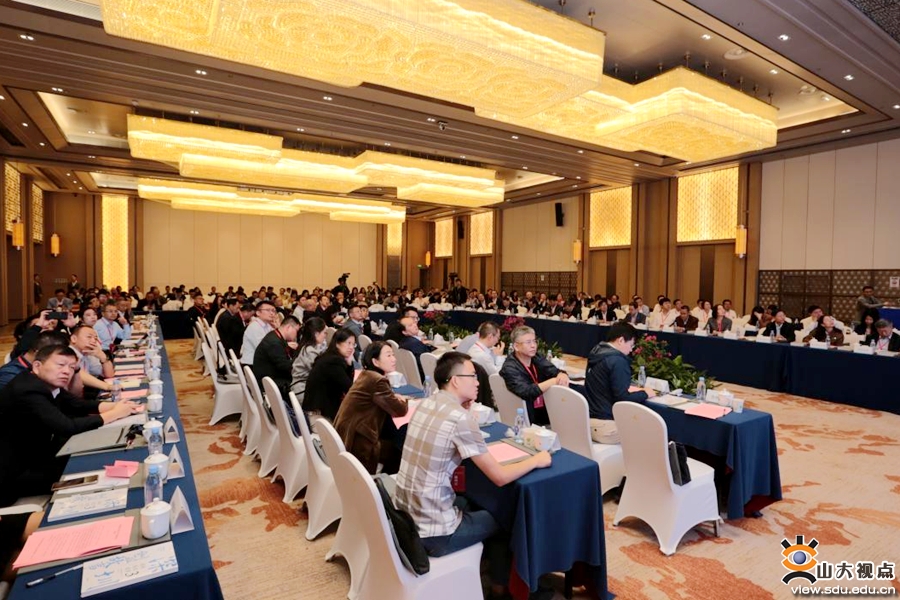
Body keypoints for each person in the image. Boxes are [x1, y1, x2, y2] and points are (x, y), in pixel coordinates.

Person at [394, 352, 551, 599]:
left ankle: (491, 568)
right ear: (456, 380)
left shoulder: (428, 402)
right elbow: (499, 477)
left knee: (481, 499)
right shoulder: (459, 418)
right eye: (473, 376)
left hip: (406, 516)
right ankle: (502, 590)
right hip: (435, 532)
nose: (478, 382)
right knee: (508, 516)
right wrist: (537, 459)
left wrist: (464, 410)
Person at [0, 346, 138, 506]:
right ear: (37, 366)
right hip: (16, 473)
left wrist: (118, 407)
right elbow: (66, 427)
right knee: (95, 469)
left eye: (72, 367)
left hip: (38, 453)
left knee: (97, 453)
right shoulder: (28, 390)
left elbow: (77, 404)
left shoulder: (41, 382)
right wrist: (115, 414)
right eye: (60, 365)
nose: (67, 371)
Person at [333, 342, 409, 474]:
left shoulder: (366, 375)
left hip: (347, 435)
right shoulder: (377, 380)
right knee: (400, 447)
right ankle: (383, 482)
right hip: (359, 443)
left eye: (393, 355)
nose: (394, 359)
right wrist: (404, 400)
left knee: (394, 435)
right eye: (388, 355)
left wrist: (392, 396)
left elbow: (381, 397)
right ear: (375, 361)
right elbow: (400, 410)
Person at [584, 323, 657, 444]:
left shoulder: (596, 352)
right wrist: (645, 393)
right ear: (621, 340)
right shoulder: (618, 361)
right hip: (606, 426)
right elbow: (622, 399)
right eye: (631, 345)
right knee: (654, 431)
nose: (631, 350)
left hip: (588, 423)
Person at [499, 326, 568, 425]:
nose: (533, 346)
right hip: (528, 416)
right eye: (528, 342)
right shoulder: (509, 367)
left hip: (546, 409)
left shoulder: (536, 357)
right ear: (516, 346)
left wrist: (562, 374)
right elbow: (526, 391)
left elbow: (553, 371)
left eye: (534, 341)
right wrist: (553, 381)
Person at [303, 329, 357, 421]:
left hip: (316, 411)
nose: (351, 347)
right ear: (337, 344)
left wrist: (349, 363)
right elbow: (349, 388)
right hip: (319, 417)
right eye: (348, 343)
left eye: (353, 344)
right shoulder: (333, 362)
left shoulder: (328, 356)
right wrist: (349, 363)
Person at [251, 316, 301, 399]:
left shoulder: (274, 335)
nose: (296, 335)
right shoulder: (274, 343)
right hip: (269, 383)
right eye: (296, 331)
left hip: (270, 377)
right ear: (288, 327)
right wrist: (301, 360)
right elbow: (285, 366)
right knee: (301, 384)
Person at [69, 324, 115, 393]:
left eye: (95, 338)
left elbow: (109, 375)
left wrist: (103, 357)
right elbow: (79, 374)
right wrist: (107, 386)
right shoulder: (66, 354)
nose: (93, 341)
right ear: (74, 339)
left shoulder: (87, 354)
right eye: (89, 337)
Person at [290, 318, 328, 399]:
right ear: (316, 334)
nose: (326, 336)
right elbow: (320, 373)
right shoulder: (310, 351)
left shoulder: (308, 346)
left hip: (303, 387)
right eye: (324, 333)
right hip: (303, 391)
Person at [240, 300, 277, 367]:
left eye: (273, 311)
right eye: (268, 310)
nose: (272, 313)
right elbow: (264, 349)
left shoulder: (267, 325)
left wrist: (277, 327)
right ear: (258, 313)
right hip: (252, 364)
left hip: (260, 362)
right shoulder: (255, 327)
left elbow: (276, 341)